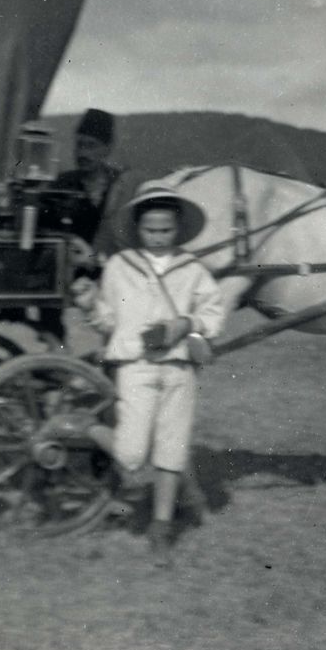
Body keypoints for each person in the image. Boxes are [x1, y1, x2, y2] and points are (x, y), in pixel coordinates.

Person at [72, 183, 225, 567]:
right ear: (138, 228)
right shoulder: (120, 267)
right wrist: (90, 304)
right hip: (136, 366)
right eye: (150, 230)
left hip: (178, 368)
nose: (158, 237)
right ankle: (86, 427)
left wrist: (186, 323)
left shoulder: (193, 269)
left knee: (172, 449)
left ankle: (161, 526)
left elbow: (214, 312)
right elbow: (110, 321)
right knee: (131, 453)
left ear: (178, 228)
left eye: (166, 230)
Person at [53, 108, 136, 257]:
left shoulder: (121, 184)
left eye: (91, 146)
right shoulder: (61, 184)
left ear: (107, 149)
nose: (82, 153)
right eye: (79, 145)